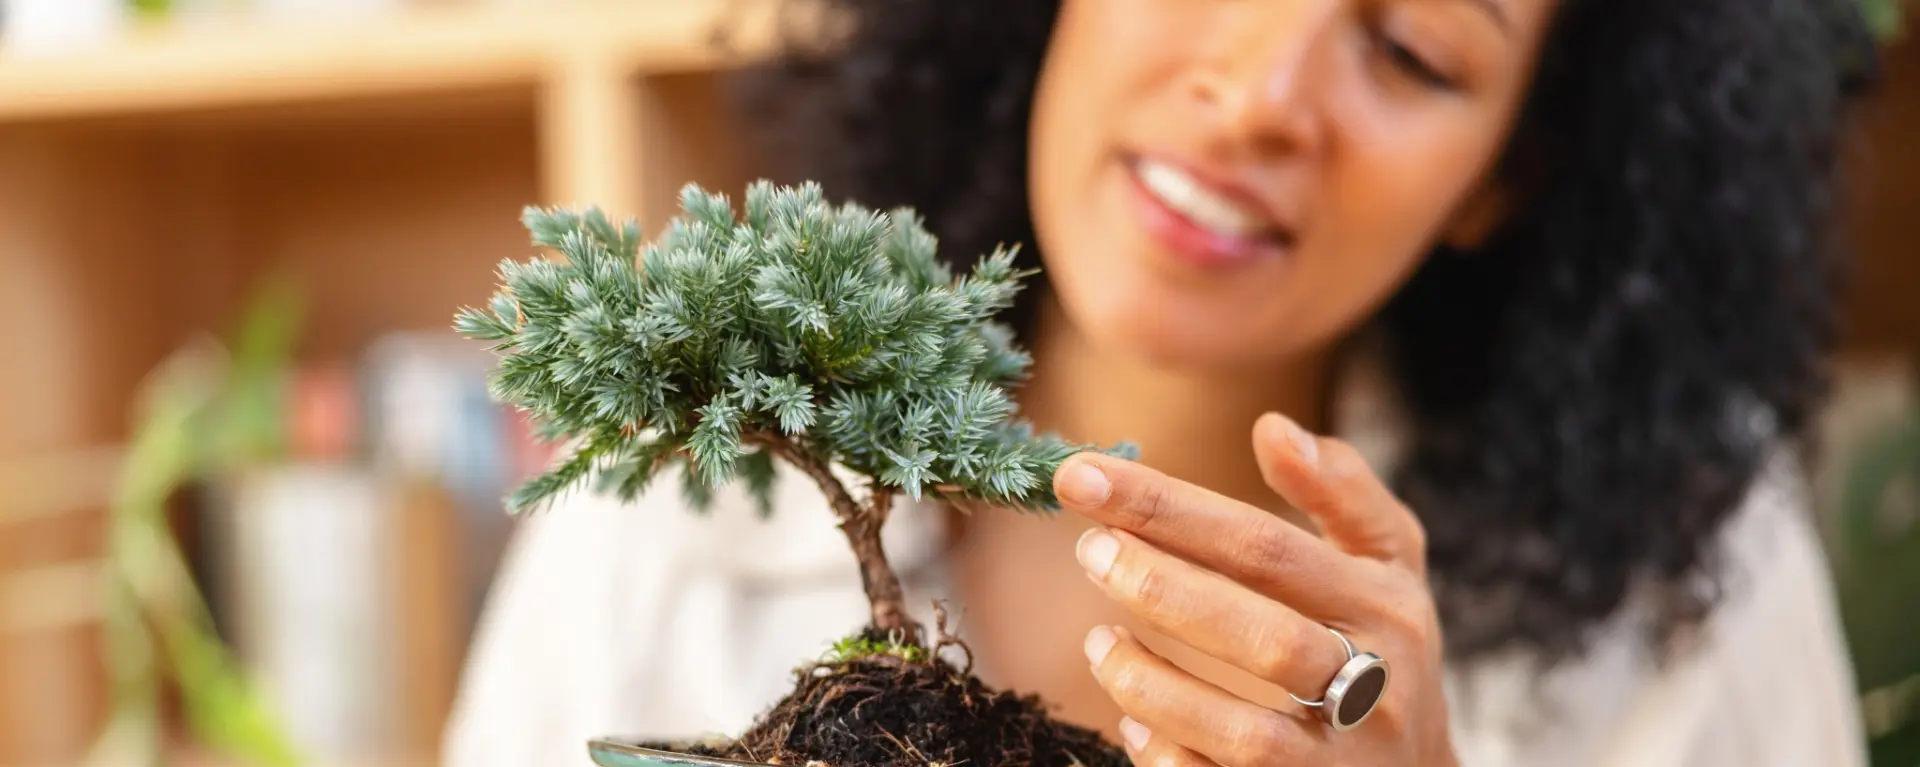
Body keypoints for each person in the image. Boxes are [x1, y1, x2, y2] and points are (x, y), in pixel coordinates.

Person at [444, 0, 1886, 764]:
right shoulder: (683, 472)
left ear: (1506, 172)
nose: (1261, 89)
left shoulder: (1688, 565)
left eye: (1408, 48)